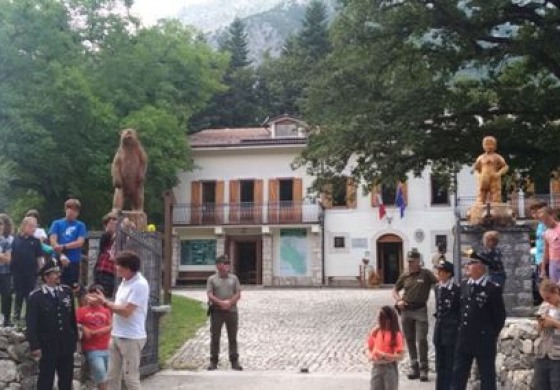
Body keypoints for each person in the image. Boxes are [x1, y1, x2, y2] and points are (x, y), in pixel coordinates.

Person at [90, 250, 149, 390]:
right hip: (117, 334)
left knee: (130, 378)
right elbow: (118, 305)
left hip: (131, 337)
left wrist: (104, 303)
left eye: (119, 266)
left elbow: (126, 311)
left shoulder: (139, 285)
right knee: (111, 377)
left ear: (128, 268)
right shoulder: (124, 281)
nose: (116, 268)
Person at [452, 258, 506, 390]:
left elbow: (499, 316)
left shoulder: (492, 289)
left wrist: (490, 333)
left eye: (470, 264)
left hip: (483, 339)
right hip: (464, 337)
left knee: (487, 375)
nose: (467, 266)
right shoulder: (464, 285)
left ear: (480, 268)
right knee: (458, 373)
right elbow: (459, 309)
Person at [26, 259, 78, 390]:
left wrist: (74, 338)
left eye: (58, 272)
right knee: (46, 378)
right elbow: (31, 323)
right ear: (46, 277)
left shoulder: (66, 292)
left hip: (66, 343)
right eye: (54, 273)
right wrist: (35, 345)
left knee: (66, 378)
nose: (58, 276)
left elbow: (72, 318)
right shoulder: (36, 297)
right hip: (48, 344)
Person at [392, 249, 437, 381]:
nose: (410, 264)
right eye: (409, 261)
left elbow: (438, 284)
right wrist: (398, 300)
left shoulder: (426, 274)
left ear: (419, 261)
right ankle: (414, 367)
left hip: (420, 310)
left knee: (421, 339)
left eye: (413, 261)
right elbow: (395, 289)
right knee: (409, 339)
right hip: (406, 310)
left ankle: (424, 369)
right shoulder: (405, 275)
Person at [207, 255, 242, 371]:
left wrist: (229, 302)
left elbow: (238, 294)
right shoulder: (212, 279)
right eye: (223, 263)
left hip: (231, 311)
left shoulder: (234, 279)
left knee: (232, 337)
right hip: (217, 311)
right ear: (218, 265)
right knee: (215, 336)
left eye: (227, 264)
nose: (226, 266)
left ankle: (234, 361)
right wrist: (221, 303)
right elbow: (210, 295)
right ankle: (213, 361)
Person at [77, 284, 112, 390]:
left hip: (107, 347)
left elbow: (111, 324)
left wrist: (103, 330)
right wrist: (83, 327)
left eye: (98, 295)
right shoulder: (81, 311)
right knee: (100, 373)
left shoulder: (106, 310)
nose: (94, 297)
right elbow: (74, 324)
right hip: (92, 348)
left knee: (108, 375)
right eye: (92, 294)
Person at [433, 260, 461, 390]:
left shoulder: (456, 290)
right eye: (438, 271)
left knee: (450, 364)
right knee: (440, 364)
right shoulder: (438, 288)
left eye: (441, 272)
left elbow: (458, 311)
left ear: (449, 274)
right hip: (439, 332)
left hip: (451, 332)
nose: (439, 274)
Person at [10, 216, 44, 324]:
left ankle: (29, 317)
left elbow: (39, 258)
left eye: (35, 226)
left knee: (29, 296)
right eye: (31, 226)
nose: (33, 229)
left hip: (31, 273)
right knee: (18, 295)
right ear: (24, 226)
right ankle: (16, 316)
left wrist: (41, 272)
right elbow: (11, 255)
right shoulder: (15, 239)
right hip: (17, 273)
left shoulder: (36, 241)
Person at [49, 198, 88, 286]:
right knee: (55, 284)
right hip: (57, 259)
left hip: (73, 260)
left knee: (71, 287)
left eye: (74, 210)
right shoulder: (56, 223)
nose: (71, 212)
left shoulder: (80, 225)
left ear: (78, 213)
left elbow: (80, 242)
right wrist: (62, 254)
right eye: (69, 209)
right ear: (65, 210)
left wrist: (64, 247)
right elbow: (53, 241)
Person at [366, 305, 405, 390]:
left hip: (389, 367)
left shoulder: (396, 335)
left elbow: (400, 356)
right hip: (376, 367)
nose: (378, 320)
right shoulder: (376, 331)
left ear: (388, 320)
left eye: (380, 318)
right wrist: (370, 355)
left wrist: (383, 355)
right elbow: (368, 347)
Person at [534, 279, 560, 390]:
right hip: (542, 354)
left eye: (548, 298)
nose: (546, 301)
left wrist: (554, 323)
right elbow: (538, 331)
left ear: (556, 292)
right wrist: (541, 324)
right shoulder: (544, 307)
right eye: (544, 299)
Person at [474, 135, 508, 204]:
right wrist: (478, 176)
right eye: (486, 144)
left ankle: (496, 205)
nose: (489, 146)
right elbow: (476, 169)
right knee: (481, 193)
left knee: (495, 193)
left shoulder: (497, 157)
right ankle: (480, 204)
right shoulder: (480, 158)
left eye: (491, 144)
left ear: (495, 146)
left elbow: (505, 167)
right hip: (483, 178)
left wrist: (498, 174)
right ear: (483, 146)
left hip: (494, 178)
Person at [94, 213, 118, 297]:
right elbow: (109, 236)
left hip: (111, 271)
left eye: (116, 222)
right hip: (103, 270)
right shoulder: (105, 236)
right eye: (111, 223)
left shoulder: (119, 237)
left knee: (109, 293)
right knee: (101, 292)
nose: (114, 225)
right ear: (106, 225)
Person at [530, 201, 548, 304]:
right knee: (540, 284)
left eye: (536, 212)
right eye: (532, 213)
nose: (534, 215)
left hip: (544, 260)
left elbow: (546, 246)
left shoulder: (546, 225)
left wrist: (542, 262)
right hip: (539, 259)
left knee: (545, 284)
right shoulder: (540, 225)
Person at [539, 206, 560, 283]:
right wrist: (543, 269)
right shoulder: (546, 233)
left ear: (553, 215)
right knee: (555, 289)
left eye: (547, 219)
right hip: (553, 264)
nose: (545, 222)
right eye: (543, 221)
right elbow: (546, 252)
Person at [0, 214, 14, 326]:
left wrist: (2, 256)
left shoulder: (6, 242)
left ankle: (6, 319)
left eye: (1, 224)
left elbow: (8, 259)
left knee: (7, 295)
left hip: (5, 273)